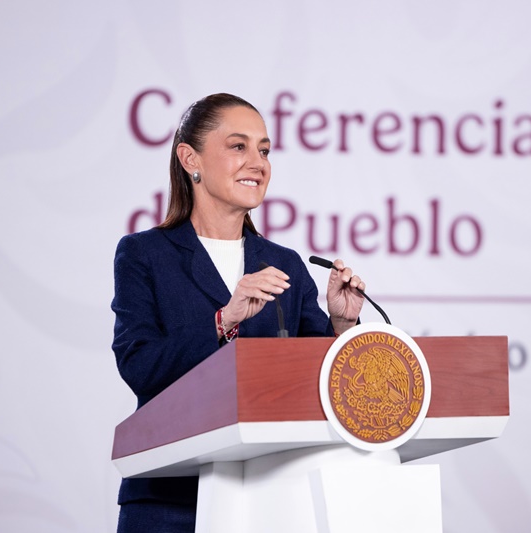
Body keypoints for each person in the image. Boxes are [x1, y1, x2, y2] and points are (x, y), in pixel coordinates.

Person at [111, 93, 367, 532]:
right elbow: (139, 366)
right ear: (190, 158)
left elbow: (320, 383)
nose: (258, 163)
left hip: (270, 500)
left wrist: (342, 324)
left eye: (264, 150)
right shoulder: (145, 254)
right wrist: (223, 320)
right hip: (171, 499)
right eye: (238, 146)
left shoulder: (285, 263)